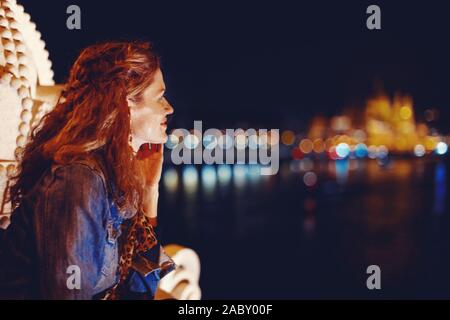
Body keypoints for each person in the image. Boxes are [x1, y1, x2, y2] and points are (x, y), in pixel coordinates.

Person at [0, 40, 176, 299]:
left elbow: (138, 291)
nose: (169, 108)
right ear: (125, 104)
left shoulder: (108, 177)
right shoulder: (79, 181)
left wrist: (148, 192)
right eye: (159, 97)